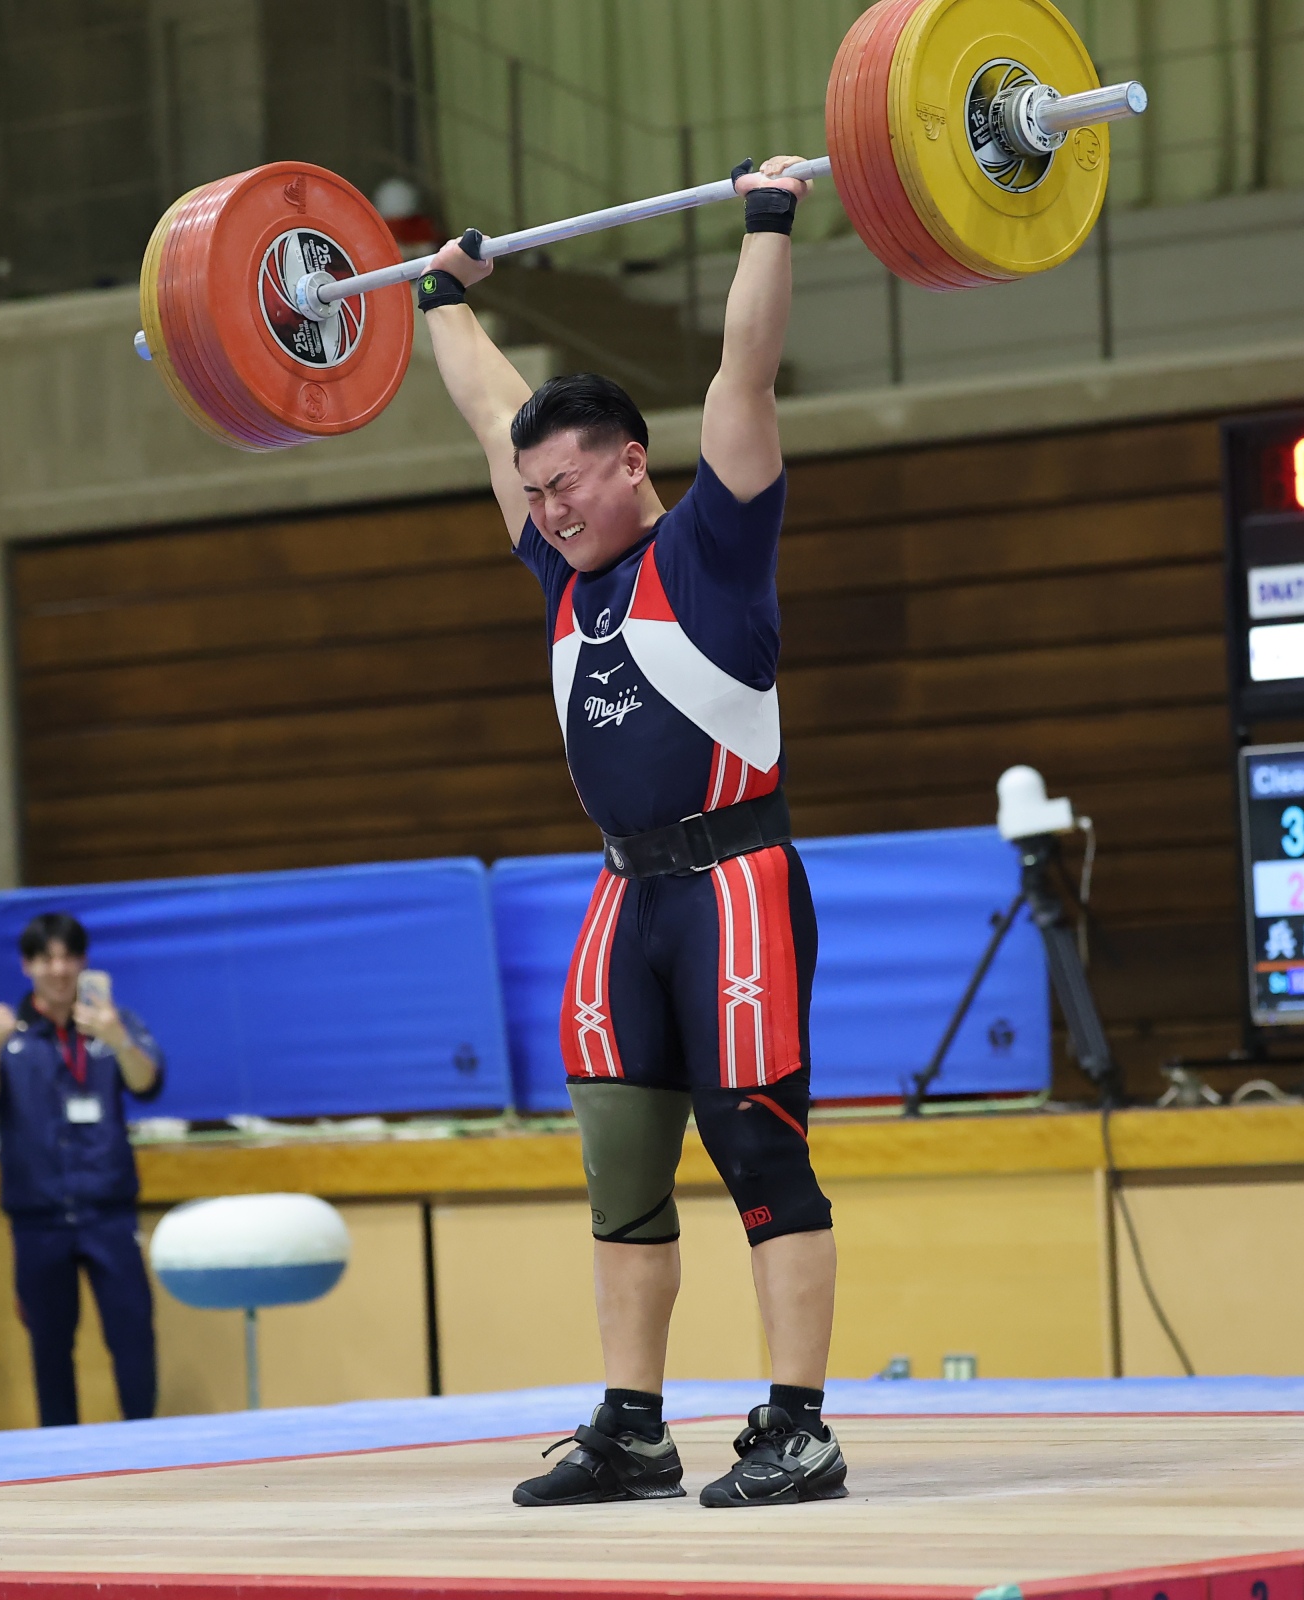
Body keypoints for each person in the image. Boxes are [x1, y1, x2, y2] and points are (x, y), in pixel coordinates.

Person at [423, 156, 843, 1508]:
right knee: (620, 1171)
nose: (547, 509)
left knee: (760, 1151)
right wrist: (442, 297)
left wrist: (768, 218)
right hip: (623, 901)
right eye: (534, 489)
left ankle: (798, 1427)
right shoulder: (558, 569)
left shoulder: (714, 545)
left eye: (567, 484)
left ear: (630, 462)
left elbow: (744, 375)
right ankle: (634, 1426)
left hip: (736, 885)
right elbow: (487, 405)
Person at [0, 912, 165, 1427]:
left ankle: (147, 1442)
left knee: (133, 1335)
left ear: (83, 963)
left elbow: (147, 1084)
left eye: (69, 957)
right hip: (38, 1217)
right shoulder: (5, 1030)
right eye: (46, 958)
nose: (59, 969)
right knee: (49, 1348)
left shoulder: (113, 1023)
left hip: (108, 1210)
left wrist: (117, 1038)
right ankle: (60, 1453)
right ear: (27, 965)